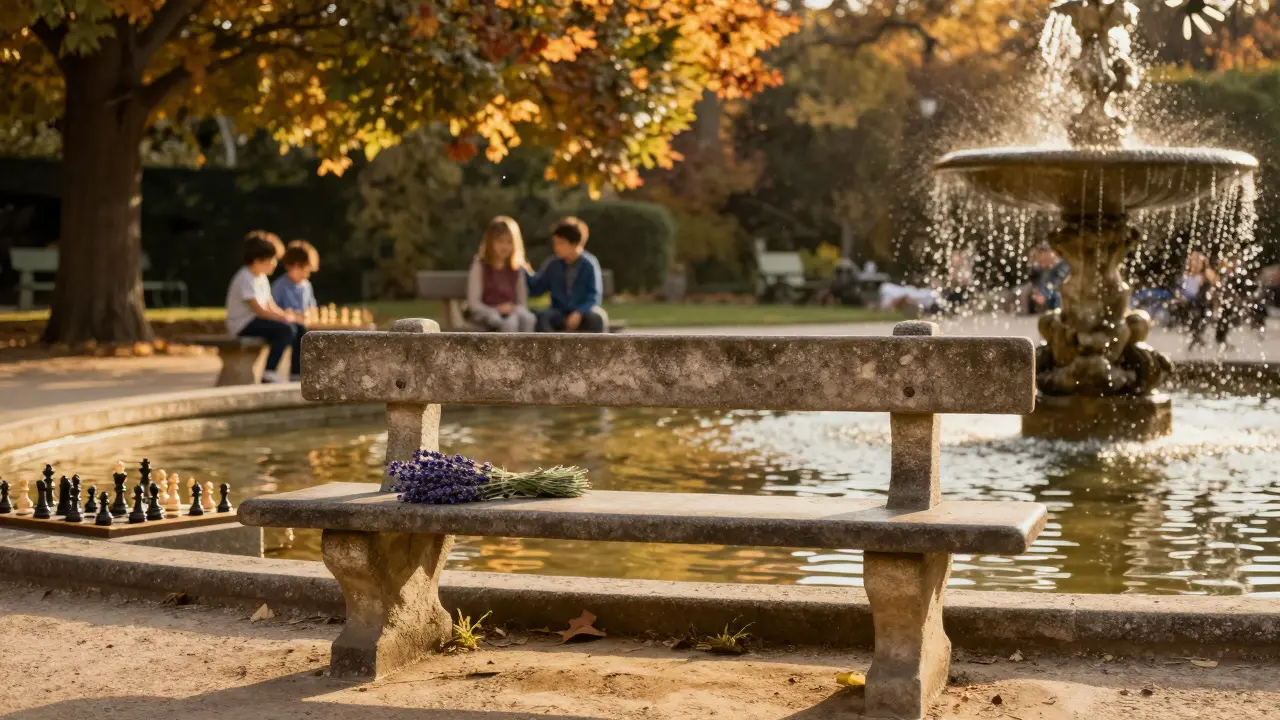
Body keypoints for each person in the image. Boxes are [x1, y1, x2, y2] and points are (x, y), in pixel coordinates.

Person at [225, 231, 305, 383]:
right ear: (257, 260)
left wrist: (287, 316)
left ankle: (296, 372)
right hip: (243, 324)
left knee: (298, 328)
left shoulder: (261, 278)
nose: (275, 264)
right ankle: (269, 372)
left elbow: (270, 305)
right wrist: (283, 319)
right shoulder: (245, 277)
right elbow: (260, 311)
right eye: (271, 259)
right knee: (285, 330)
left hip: (255, 321)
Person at [527, 217, 608, 333]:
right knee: (542, 317)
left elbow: (594, 296)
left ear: (575, 244)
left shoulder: (589, 264)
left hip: (583, 312)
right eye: (555, 243)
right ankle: (550, 350)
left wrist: (579, 312)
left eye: (561, 243)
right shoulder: (552, 264)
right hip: (558, 312)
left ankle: (594, 351)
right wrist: (525, 271)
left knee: (597, 317)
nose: (556, 247)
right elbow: (537, 288)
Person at [465, 217, 536, 332]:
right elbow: (474, 303)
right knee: (510, 323)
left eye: (509, 242)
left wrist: (512, 309)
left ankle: (526, 349)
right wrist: (498, 310)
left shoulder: (517, 268)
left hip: (513, 313)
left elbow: (521, 302)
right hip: (488, 314)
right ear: (490, 242)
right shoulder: (480, 266)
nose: (505, 247)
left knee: (528, 318)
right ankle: (507, 350)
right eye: (500, 241)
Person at [271, 240, 319, 315]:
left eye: (307, 270)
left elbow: (312, 307)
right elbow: (272, 311)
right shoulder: (279, 287)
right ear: (289, 266)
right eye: (301, 268)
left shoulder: (307, 285)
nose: (304, 274)